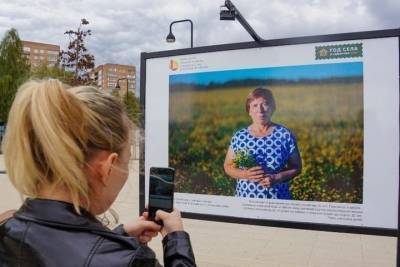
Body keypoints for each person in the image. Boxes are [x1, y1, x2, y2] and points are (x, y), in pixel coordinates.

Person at [0, 79, 196, 266]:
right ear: (107, 167)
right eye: (126, 161)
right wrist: (175, 238)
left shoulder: (6, 228)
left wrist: (116, 237)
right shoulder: (131, 260)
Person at [224, 87, 302, 199]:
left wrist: (277, 178)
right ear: (249, 110)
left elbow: (297, 167)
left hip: (278, 200)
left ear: (272, 108)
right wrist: (245, 174)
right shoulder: (239, 137)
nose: (260, 110)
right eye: (254, 105)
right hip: (245, 200)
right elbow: (227, 166)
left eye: (264, 104)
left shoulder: (285, 134)